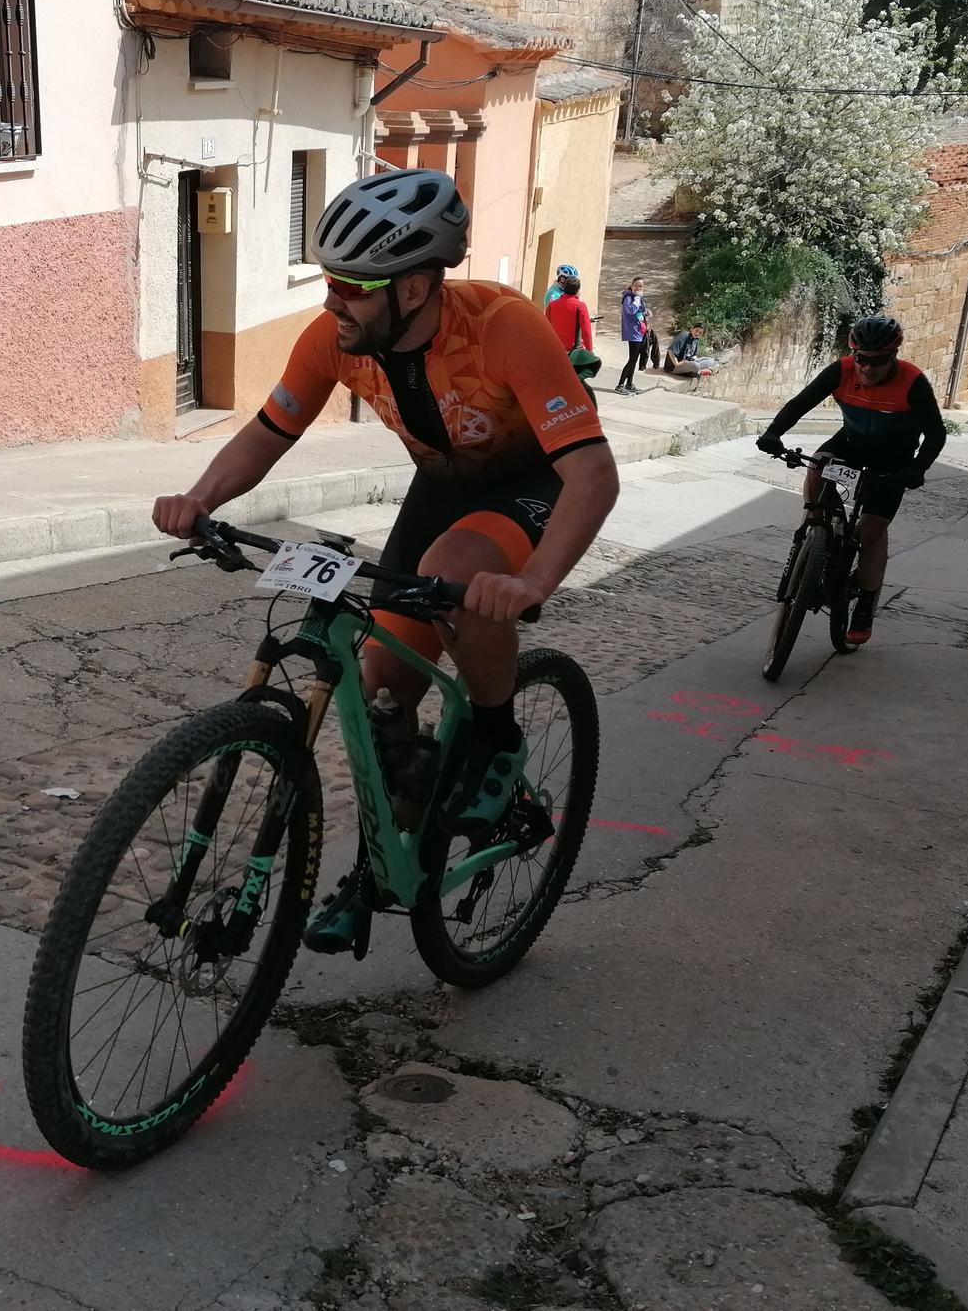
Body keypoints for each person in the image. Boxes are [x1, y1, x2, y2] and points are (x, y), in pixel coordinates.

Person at [151, 169, 621, 954]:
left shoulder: (505, 327)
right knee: (381, 700)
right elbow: (270, 431)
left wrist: (534, 582)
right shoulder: (333, 338)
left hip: (532, 479)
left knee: (461, 571)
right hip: (441, 485)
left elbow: (593, 474)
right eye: (329, 280)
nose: (333, 300)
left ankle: (498, 738)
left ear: (415, 286)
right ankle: (380, 869)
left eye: (352, 287)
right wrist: (200, 500)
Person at [755, 315, 946, 647]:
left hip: (893, 457)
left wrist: (917, 468)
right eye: (861, 359)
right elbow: (800, 404)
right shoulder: (841, 370)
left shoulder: (912, 380)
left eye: (877, 361)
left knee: (872, 528)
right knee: (817, 465)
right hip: (852, 444)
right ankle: (815, 533)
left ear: (893, 356)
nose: (867, 369)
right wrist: (774, 433)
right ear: (853, 354)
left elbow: (936, 433)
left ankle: (866, 604)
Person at [546, 272, 594, 355]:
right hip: (574, 350)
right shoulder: (580, 306)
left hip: (555, 348)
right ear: (577, 291)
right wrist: (589, 351)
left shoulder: (552, 305)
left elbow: (546, 326)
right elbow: (586, 331)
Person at [617, 278, 650, 395]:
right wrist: (637, 297)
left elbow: (638, 313)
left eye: (640, 286)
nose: (638, 288)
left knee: (634, 359)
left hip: (639, 331)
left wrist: (646, 312)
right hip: (632, 332)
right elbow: (631, 310)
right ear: (631, 286)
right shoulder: (628, 298)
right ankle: (620, 385)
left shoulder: (638, 298)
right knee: (632, 359)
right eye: (636, 285)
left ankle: (629, 384)